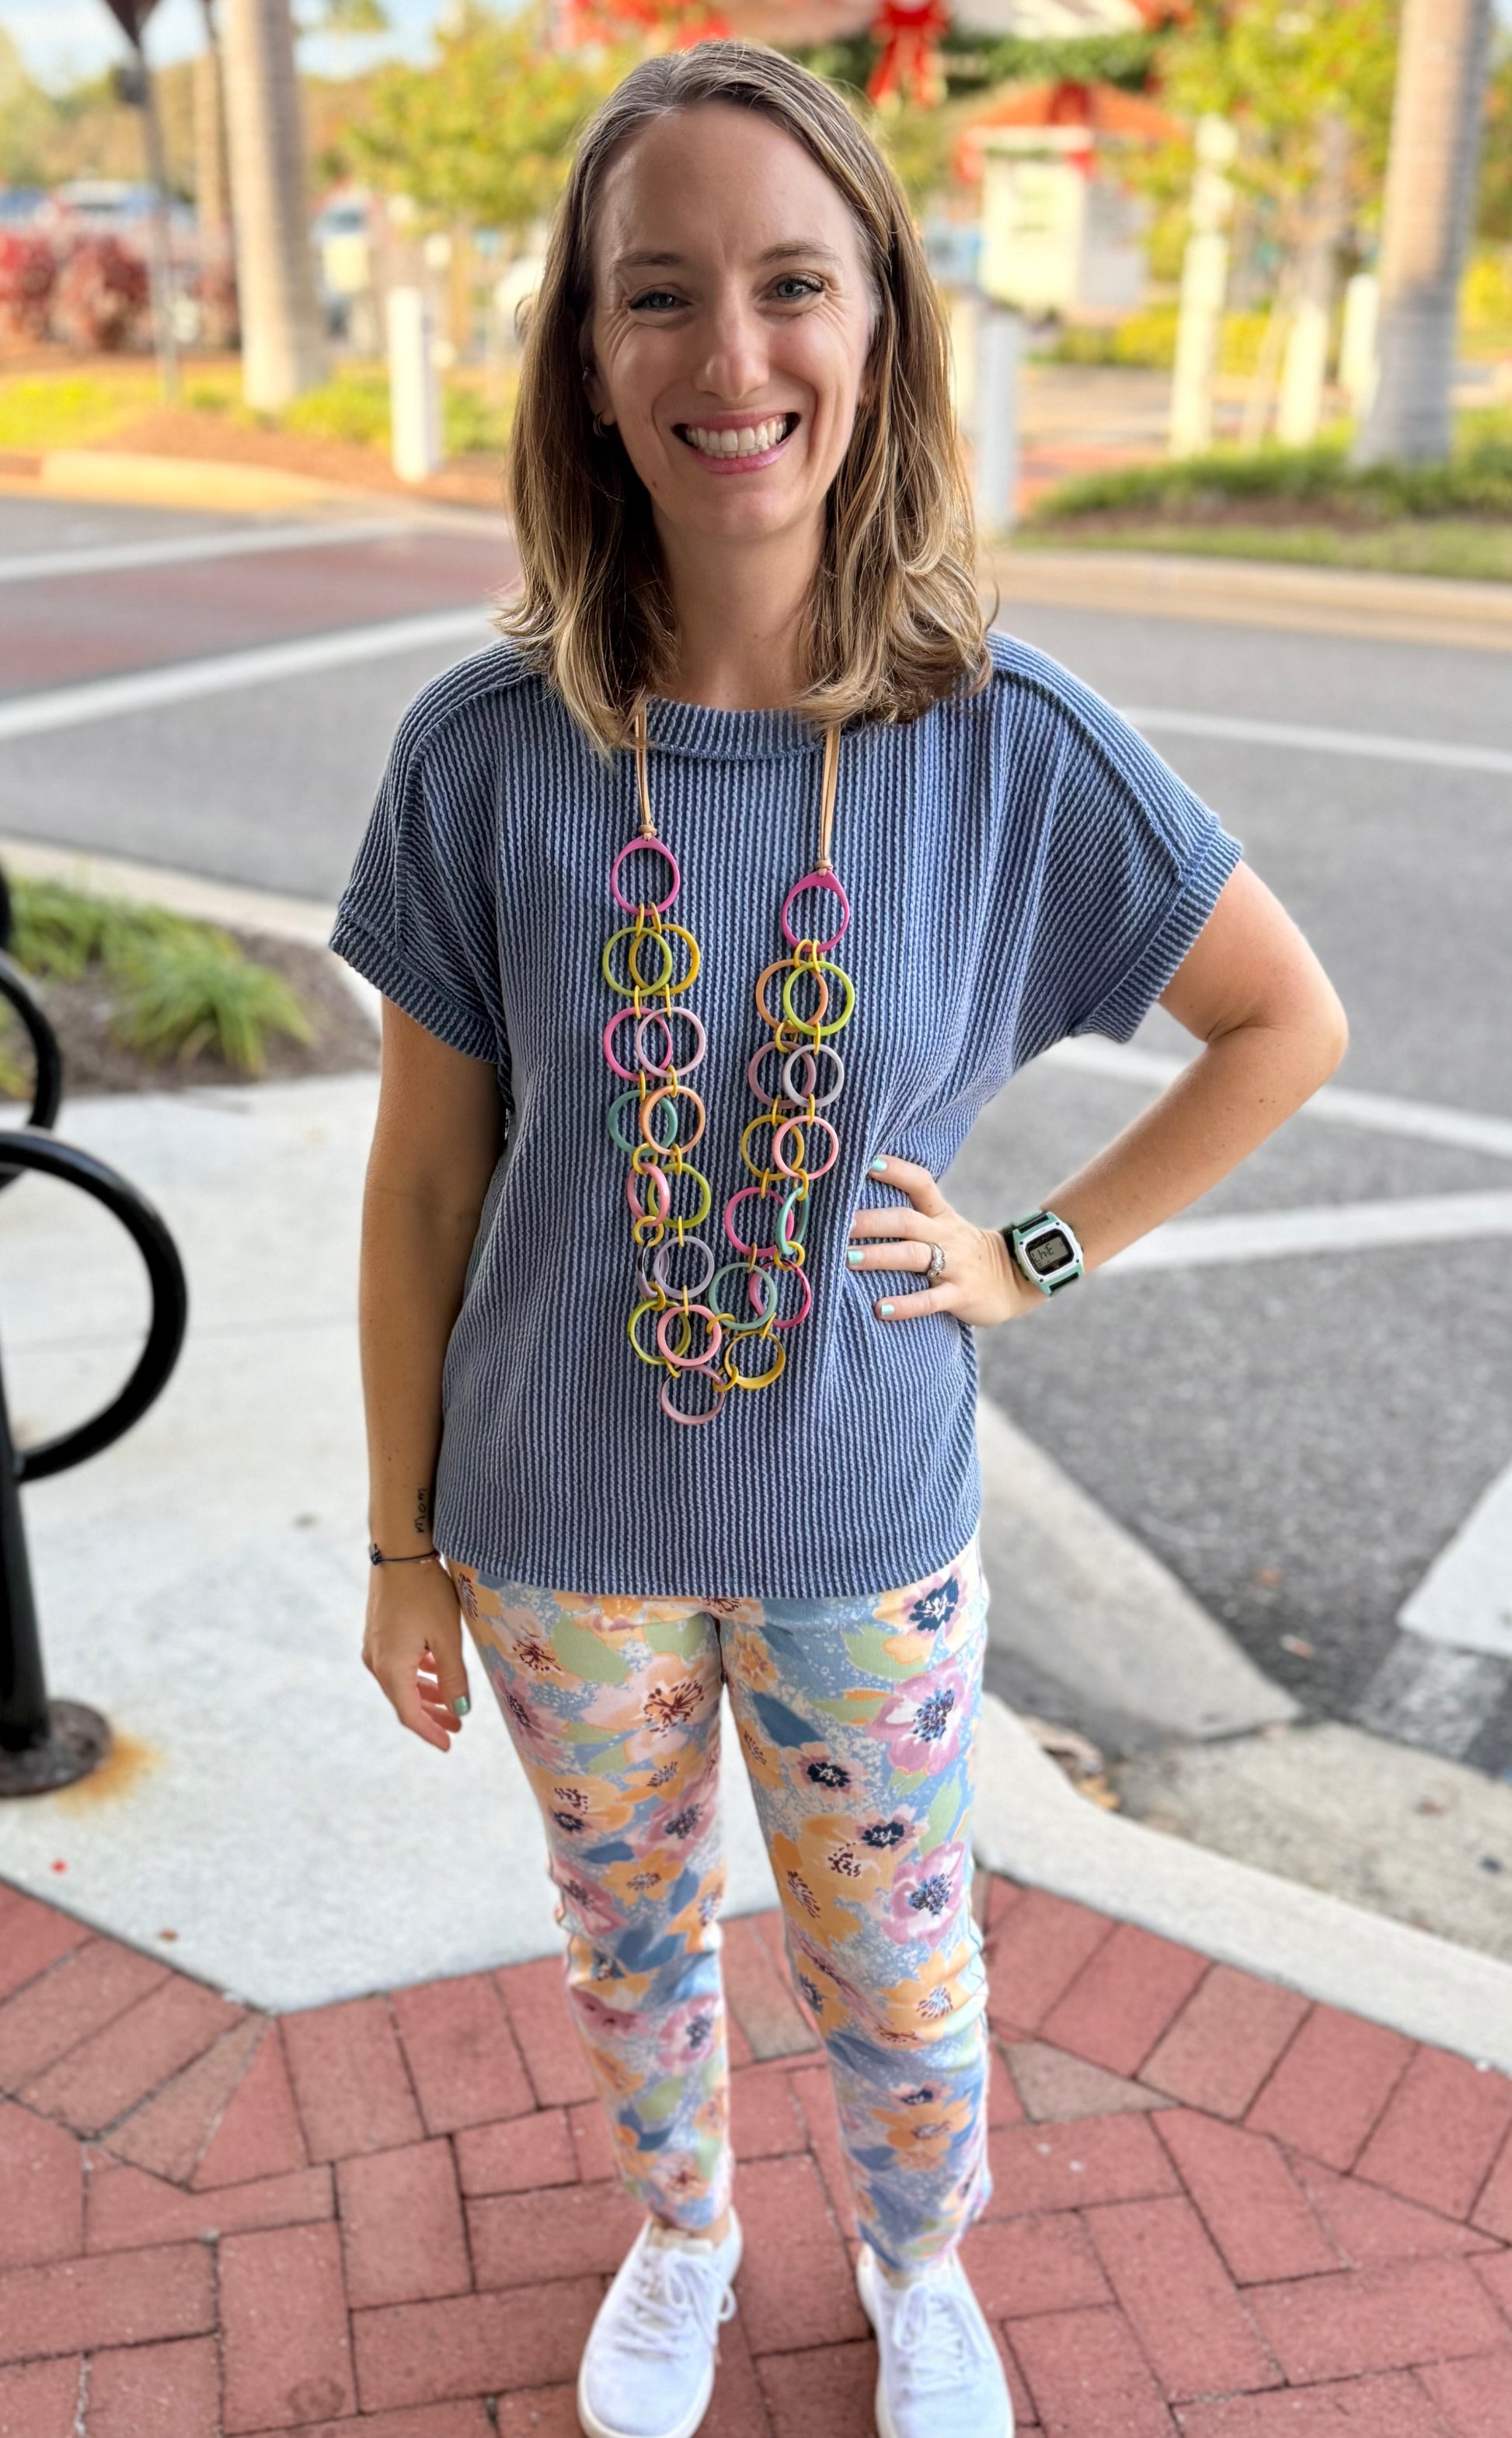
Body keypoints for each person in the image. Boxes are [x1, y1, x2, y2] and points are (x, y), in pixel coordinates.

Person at [332, 41, 1347, 2438]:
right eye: (656, 292)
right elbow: (425, 1181)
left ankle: (916, 2263)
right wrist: (400, 1544)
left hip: (855, 1531)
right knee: (629, 1946)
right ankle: (684, 2233)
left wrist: (1029, 1257)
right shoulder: (483, 750)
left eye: (792, 283)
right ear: (587, 357)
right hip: (553, 1529)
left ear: (879, 320)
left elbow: (1279, 1021)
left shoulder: (1005, 738)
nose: (731, 352)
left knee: (895, 1968)